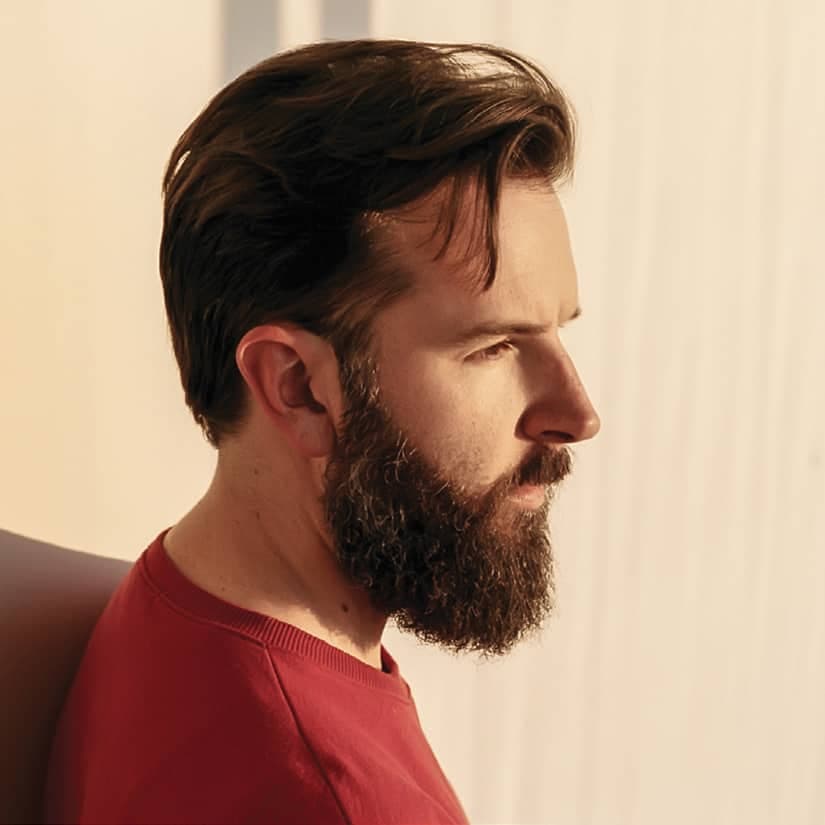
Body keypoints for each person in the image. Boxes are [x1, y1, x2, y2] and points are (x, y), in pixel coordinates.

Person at [45, 38, 600, 824]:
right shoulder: (328, 793)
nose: (576, 413)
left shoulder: (175, 606)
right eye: (493, 346)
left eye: (557, 329)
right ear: (298, 387)